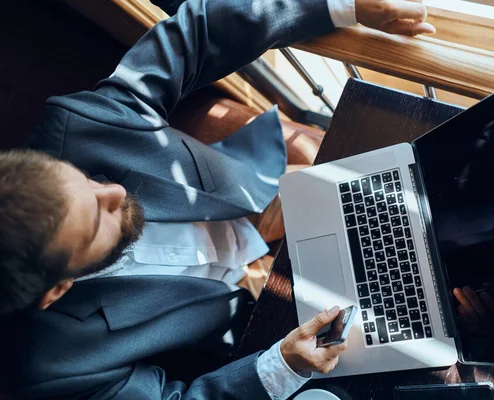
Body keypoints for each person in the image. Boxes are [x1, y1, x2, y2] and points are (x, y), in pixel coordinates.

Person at [0, 0, 436, 398]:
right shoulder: (49, 368)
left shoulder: (77, 130)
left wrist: (339, 7)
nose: (113, 190)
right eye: (97, 220)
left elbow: (194, 35)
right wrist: (281, 366)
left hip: (259, 191)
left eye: (80, 178)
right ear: (56, 292)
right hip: (250, 326)